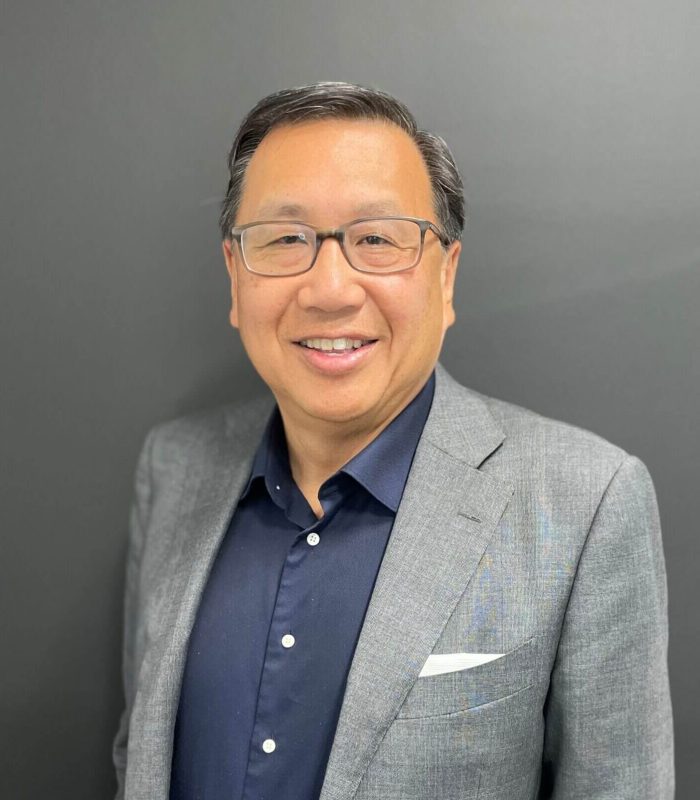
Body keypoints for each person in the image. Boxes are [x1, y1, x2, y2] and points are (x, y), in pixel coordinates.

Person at [112, 82, 674, 800]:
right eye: (286, 239)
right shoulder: (174, 469)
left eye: (376, 239)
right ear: (233, 275)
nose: (330, 288)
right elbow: (140, 757)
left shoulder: (585, 504)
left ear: (446, 276)